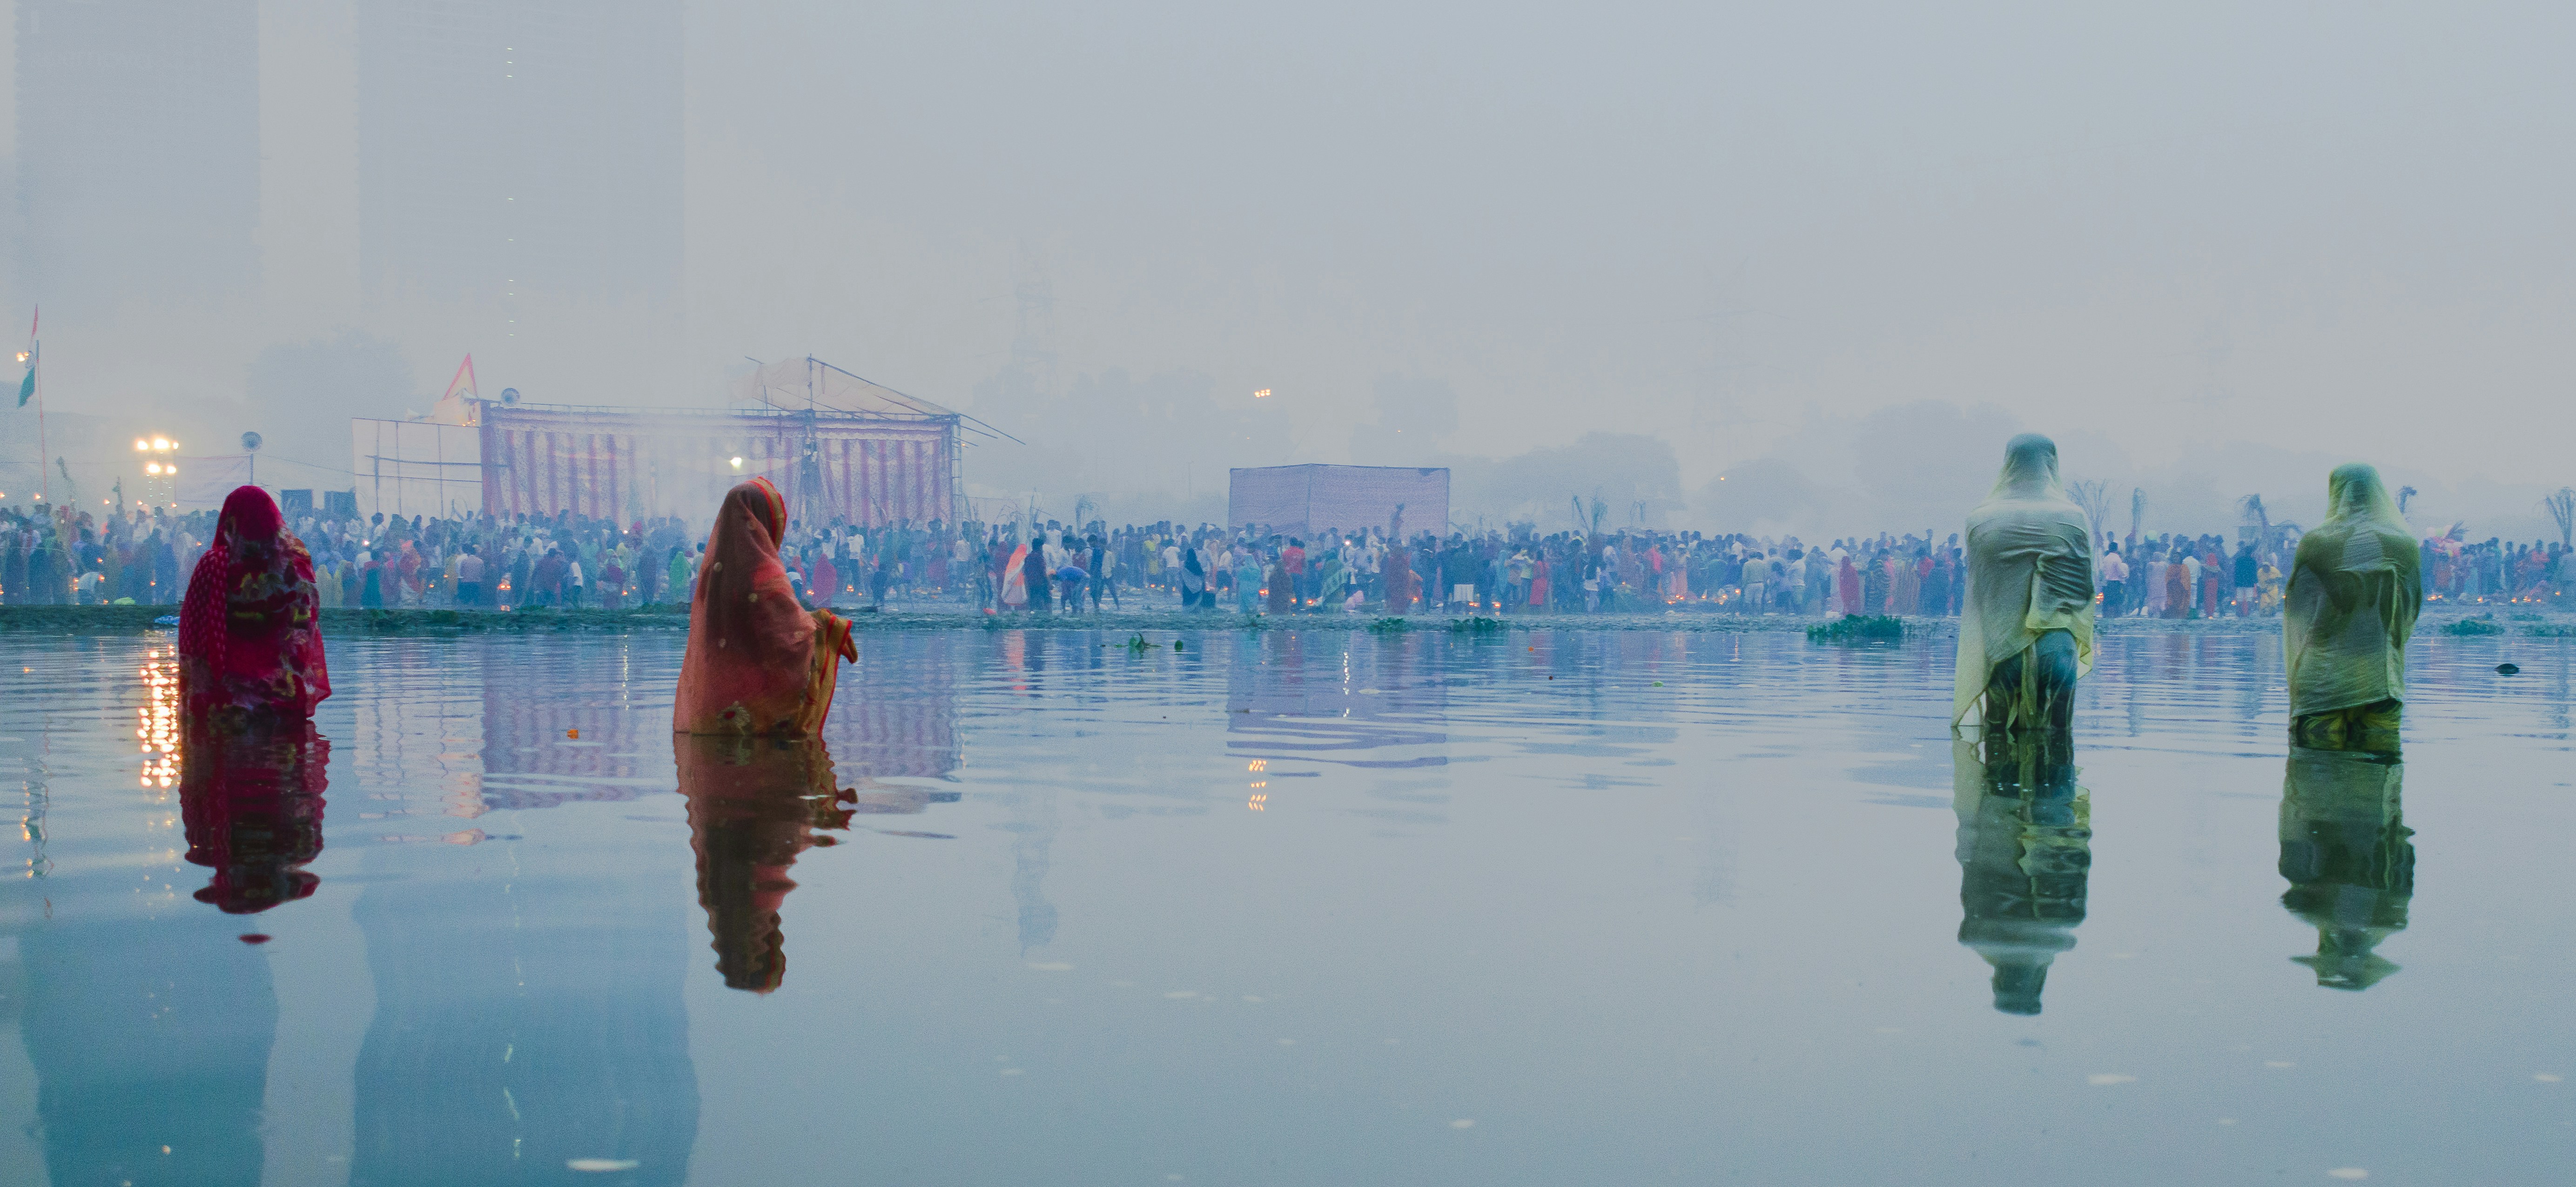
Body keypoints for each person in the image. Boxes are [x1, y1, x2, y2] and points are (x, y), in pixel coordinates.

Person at [673, 478, 857, 737]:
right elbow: (788, 636)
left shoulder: (712, 575)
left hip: (712, 708)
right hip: (754, 719)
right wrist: (828, 627)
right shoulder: (764, 572)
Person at [1954, 435, 2094, 734]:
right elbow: (2082, 595)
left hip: (2003, 650)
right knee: (2058, 743)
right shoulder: (2074, 518)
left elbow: (1981, 595)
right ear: (2051, 463)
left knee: (1998, 745)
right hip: (2058, 649)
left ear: (2008, 463)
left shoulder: (1981, 521)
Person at [2284, 463, 2421, 754]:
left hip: (2322, 678)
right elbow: (2410, 611)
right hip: (2381, 678)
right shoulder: (2404, 545)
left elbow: (2297, 611)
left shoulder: (2316, 543)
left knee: (2312, 777)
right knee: (2378, 783)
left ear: (2335, 492)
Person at [177, 486, 332, 734]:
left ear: (229, 520)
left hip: (224, 703)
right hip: (280, 699)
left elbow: (192, 638)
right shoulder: (294, 566)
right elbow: (306, 626)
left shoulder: (214, 565)